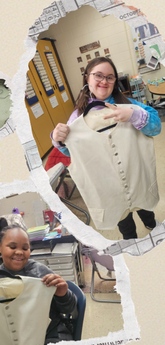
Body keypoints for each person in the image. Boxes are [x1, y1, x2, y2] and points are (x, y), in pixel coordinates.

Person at [51, 57, 161, 238]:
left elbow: (156, 128)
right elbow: (73, 154)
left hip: (136, 173)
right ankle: (131, 242)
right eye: (98, 75)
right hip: (107, 183)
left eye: (110, 77)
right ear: (87, 78)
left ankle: (151, 225)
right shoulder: (76, 118)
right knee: (124, 222)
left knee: (145, 207)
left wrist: (134, 115)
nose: (104, 81)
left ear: (115, 82)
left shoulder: (130, 104)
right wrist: (59, 140)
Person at [0, 220, 77, 344]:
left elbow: (69, 309)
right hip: (13, 338)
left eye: (25, 248)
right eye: (12, 247)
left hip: (49, 335)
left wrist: (62, 294)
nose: (19, 252)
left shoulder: (41, 274)